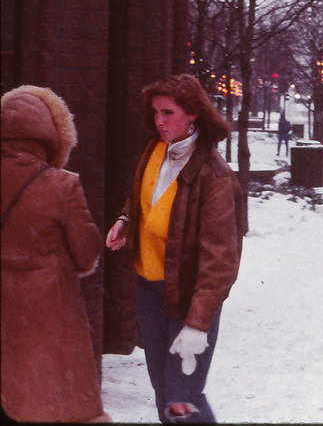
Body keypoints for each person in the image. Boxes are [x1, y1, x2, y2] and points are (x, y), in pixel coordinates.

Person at [106, 74, 246, 423]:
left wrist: (198, 325)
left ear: (193, 114)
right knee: (165, 391)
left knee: (183, 398)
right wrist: (126, 218)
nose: (159, 121)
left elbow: (221, 261)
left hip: (187, 296)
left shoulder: (214, 176)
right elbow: (144, 195)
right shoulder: (155, 149)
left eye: (168, 112)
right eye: (155, 112)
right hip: (149, 289)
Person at [1, 85, 109, 423]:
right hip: (46, 317)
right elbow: (86, 252)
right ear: (51, 134)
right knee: (47, 403)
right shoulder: (62, 184)